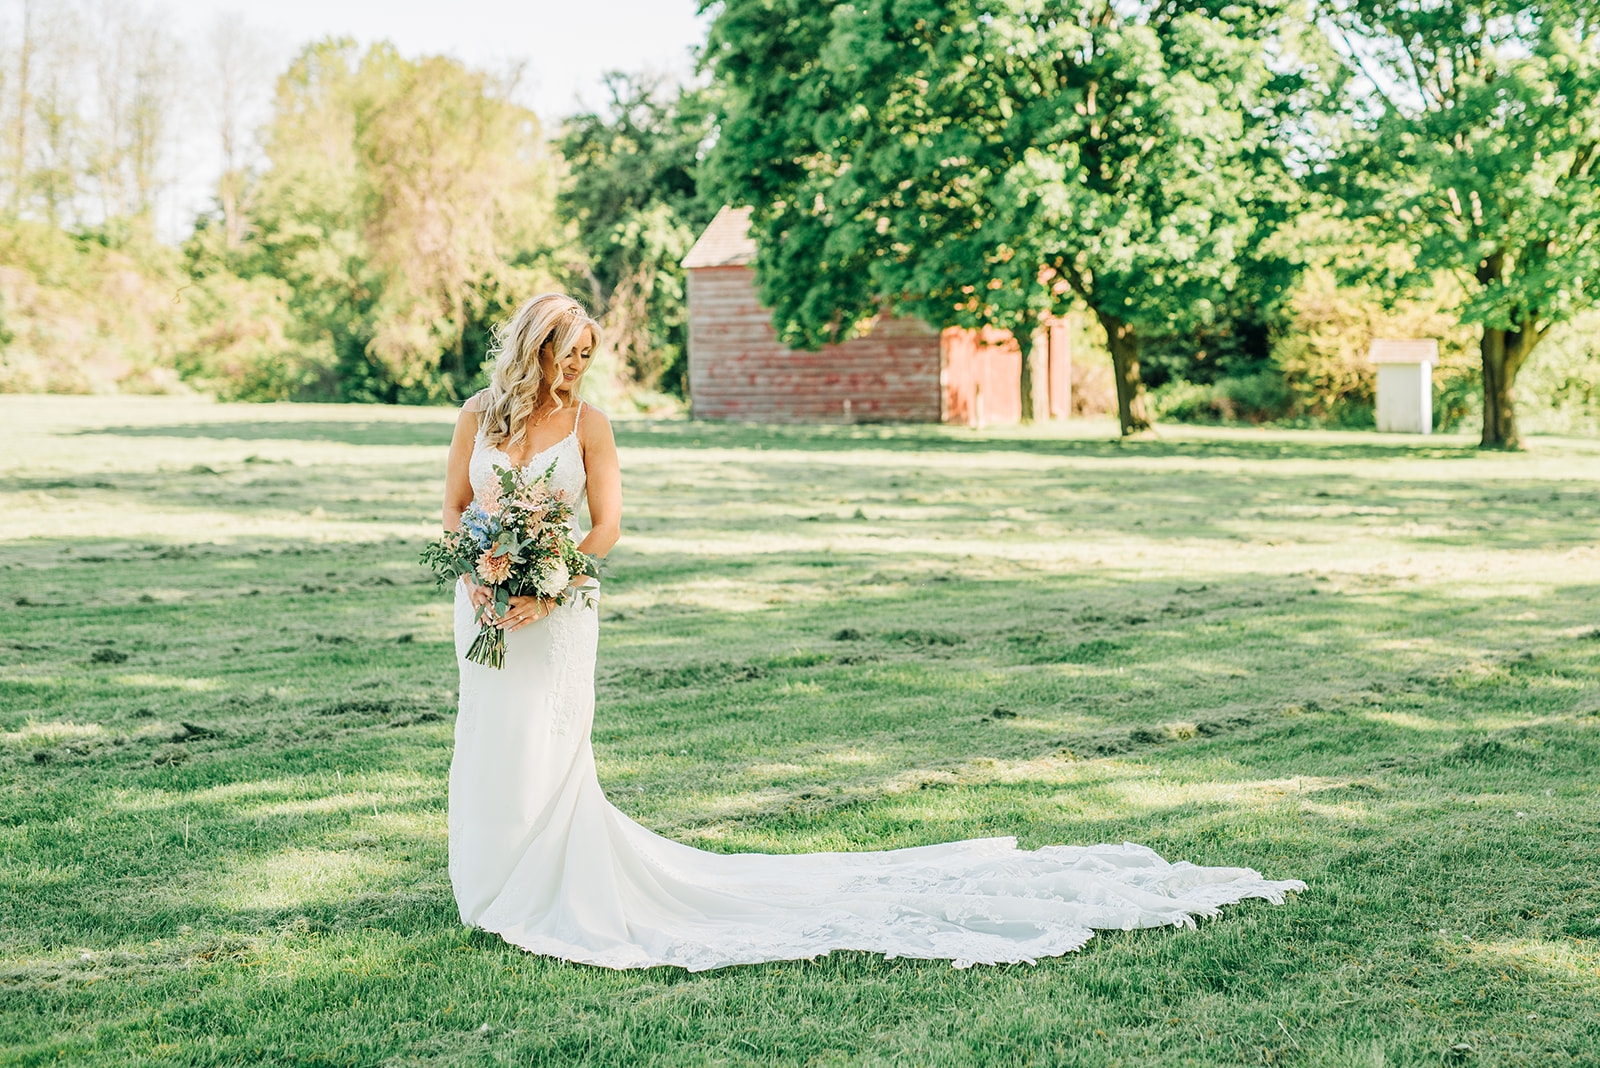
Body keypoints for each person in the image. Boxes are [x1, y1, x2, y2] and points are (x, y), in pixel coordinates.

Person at [440, 292, 1304, 972]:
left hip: (559, 610)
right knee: (489, 736)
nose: (580, 368)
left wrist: (548, 589)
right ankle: (492, 883)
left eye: (590, 355)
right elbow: (453, 509)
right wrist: (481, 573)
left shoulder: (593, 424)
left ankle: (547, 888)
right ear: (535, 347)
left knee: (548, 749)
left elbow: (608, 527)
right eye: (570, 353)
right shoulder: (478, 416)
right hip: (482, 608)